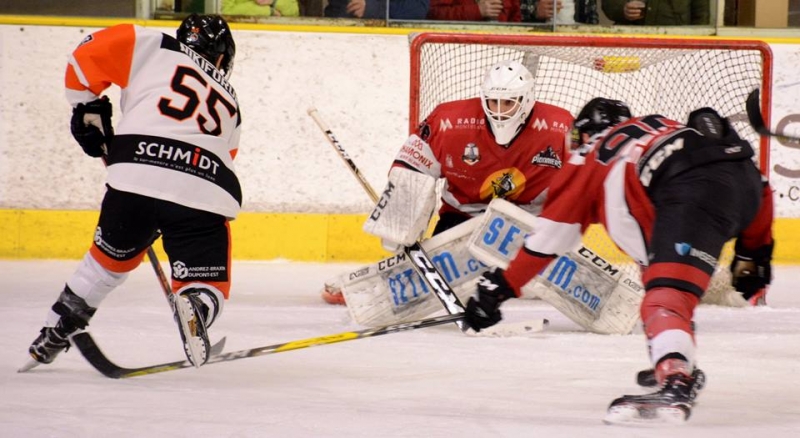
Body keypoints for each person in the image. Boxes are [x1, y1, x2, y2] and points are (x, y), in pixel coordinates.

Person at [463, 98, 774, 423]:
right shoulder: (656, 127)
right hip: (747, 181)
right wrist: (754, 253)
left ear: (585, 134)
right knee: (667, 285)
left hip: (692, 188)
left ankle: (677, 380)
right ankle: (673, 355)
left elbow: (547, 241)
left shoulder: (592, 154)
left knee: (663, 302)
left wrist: (497, 289)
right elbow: (757, 184)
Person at [25, 14, 242, 369]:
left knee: (104, 266)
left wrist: (87, 105)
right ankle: (198, 301)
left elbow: (85, 57)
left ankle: (55, 329)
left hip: (136, 174)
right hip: (202, 184)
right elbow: (227, 156)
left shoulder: (152, 44)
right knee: (207, 277)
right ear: (222, 58)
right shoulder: (231, 100)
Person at [322, 59, 573, 304]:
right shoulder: (449, 120)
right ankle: (368, 286)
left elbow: (581, 182)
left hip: (525, 223)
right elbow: (411, 168)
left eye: (508, 102)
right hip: (463, 219)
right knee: (435, 277)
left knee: (541, 282)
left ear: (527, 100)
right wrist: (400, 220)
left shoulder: (560, 127)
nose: (499, 110)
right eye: (493, 102)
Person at [602, 0, 710, 26]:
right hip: (630, 44)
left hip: (676, 49)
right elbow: (608, 3)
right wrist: (622, 9)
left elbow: (702, 15)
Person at [427, 0, 521, 22]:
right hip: (457, 49)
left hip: (503, 50)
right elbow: (433, 14)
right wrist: (477, 11)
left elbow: (515, 20)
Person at [325, 0, 430, 19]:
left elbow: (418, 9)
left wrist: (372, 8)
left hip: (394, 42)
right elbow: (339, 10)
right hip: (349, 40)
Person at [521, 0, 599, 24]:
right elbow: (511, 14)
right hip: (536, 42)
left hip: (576, 44)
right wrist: (532, 10)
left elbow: (592, 18)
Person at [222, 0, 300, 17]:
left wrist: (273, 1)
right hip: (247, 31)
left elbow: (294, 10)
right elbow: (225, 11)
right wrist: (269, 11)